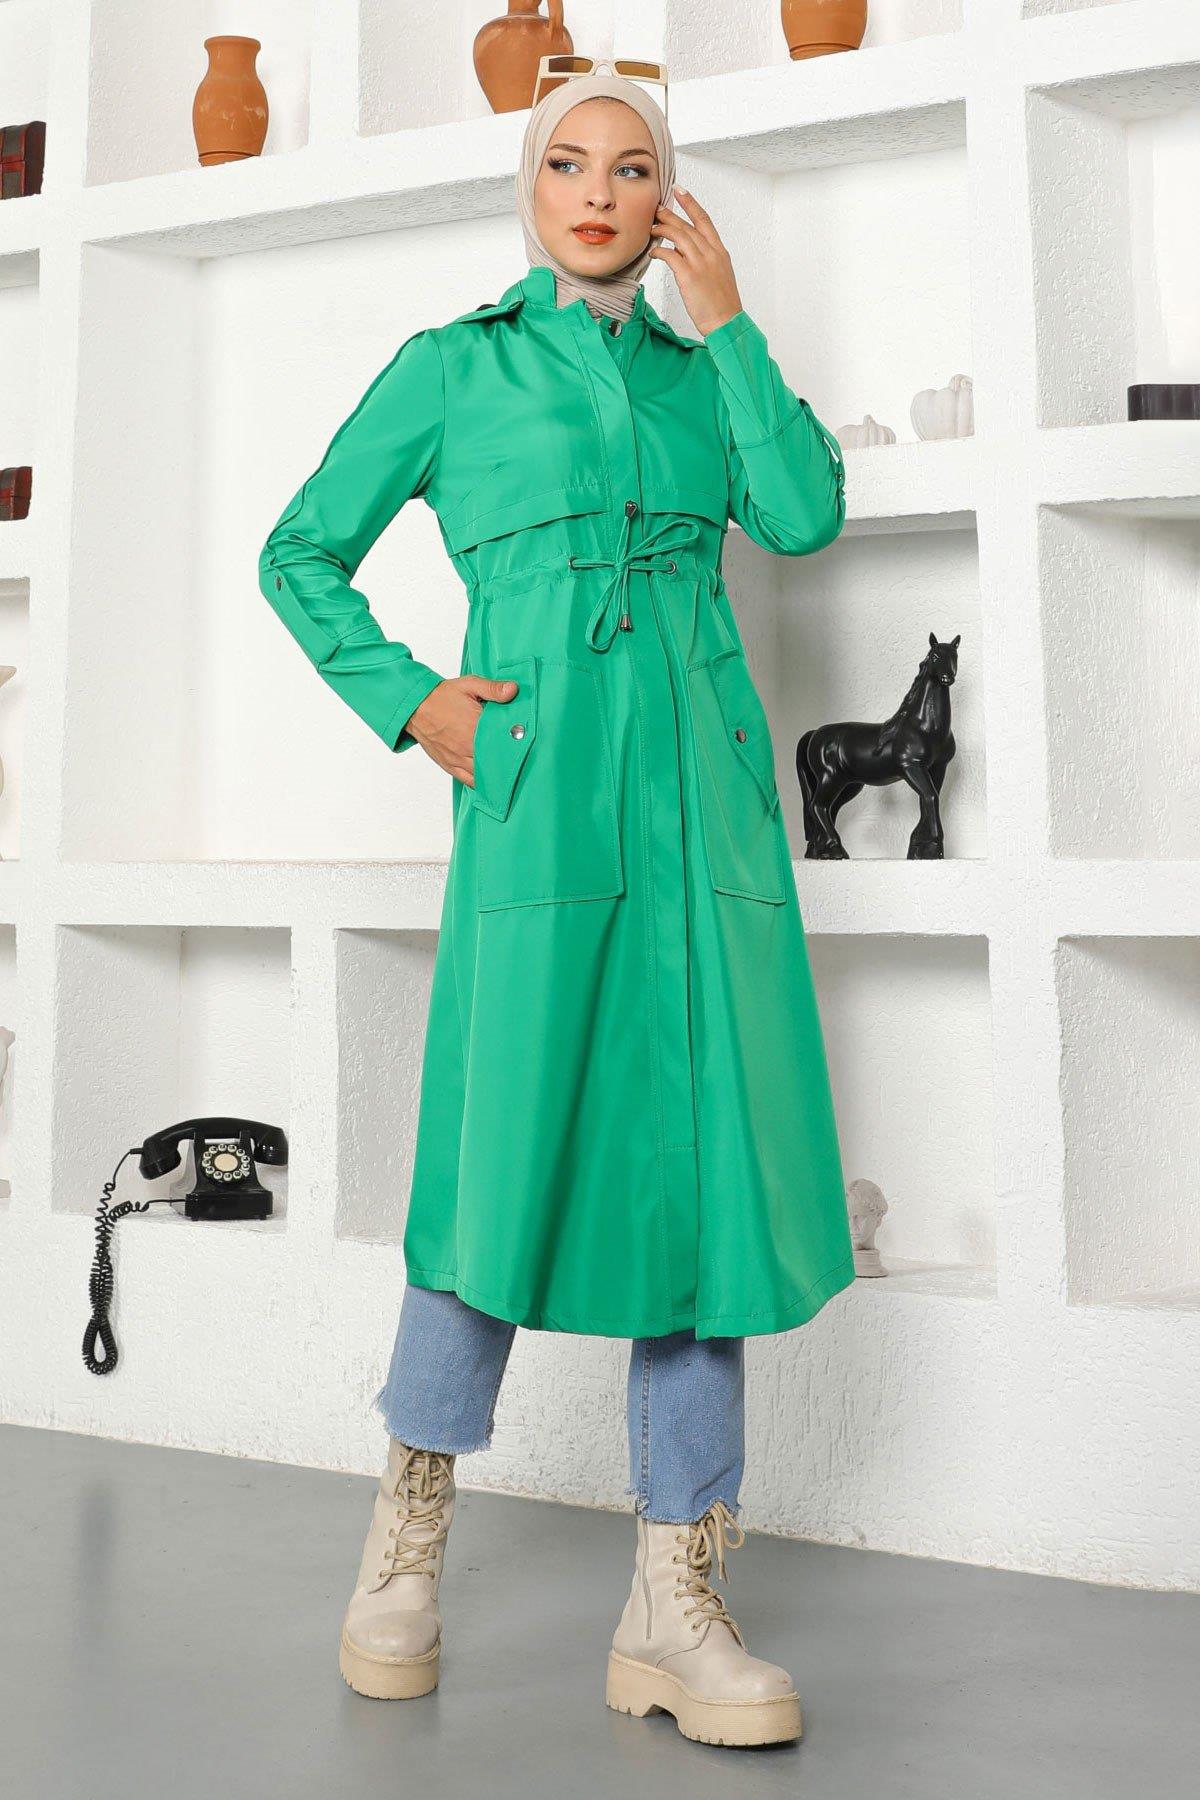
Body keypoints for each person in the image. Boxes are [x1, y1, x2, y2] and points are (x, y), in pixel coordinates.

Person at [257, 60, 851, 1750]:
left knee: (708, 1190)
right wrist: (414, 703)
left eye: (633, 167)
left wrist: (729, 323)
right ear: (530, 189)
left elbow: (803, 514)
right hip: (538, 810)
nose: (599, 192)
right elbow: (300, 549)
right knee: (495, 1160)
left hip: (704, 823)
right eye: (569, 164)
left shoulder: (702, 371)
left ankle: (676, 1594)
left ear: (670, 199)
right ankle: (408, 1537)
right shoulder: (456, 368)